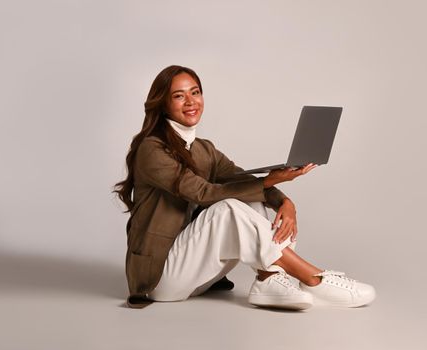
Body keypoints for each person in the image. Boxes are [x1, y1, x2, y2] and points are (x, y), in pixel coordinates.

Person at [113, 65, 376, 310]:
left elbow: (239, 178)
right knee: (227, 207)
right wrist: (270, 181)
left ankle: (269, 279)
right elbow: (204, 193)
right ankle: (314, 278)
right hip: (159, 280)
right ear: (163, 104)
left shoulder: (204, 148)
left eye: (195, 92)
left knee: (249, 197)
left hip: (198, 276)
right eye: (179, 96)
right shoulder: (151, 149)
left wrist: (284, 202)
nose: (191, 102)